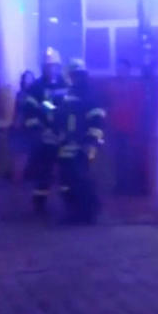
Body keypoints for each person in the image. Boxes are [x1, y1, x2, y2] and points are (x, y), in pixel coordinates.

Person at [57, 59, 106, 224]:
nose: (73, 78)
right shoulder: (69, 94)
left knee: (81, 180)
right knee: (67, 181)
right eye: (72, 75)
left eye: (76, 75)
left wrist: (90, 142)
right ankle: (73, 212)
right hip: (66, 144)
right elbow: (61, 116)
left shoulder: (89, 95)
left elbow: (97, 120)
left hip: (83, 145)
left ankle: (87, 213)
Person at [22, 48, 68, 215]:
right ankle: (39, 206)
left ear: (59, 67)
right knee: (44, 174)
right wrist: (41, 131)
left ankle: (69, 205)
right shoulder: (36, 87)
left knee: (67, 173)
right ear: (44, 68)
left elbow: (71, 107)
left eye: (55, 66)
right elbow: (30, 112)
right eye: (49, 66)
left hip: (64, 136)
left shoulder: (66, 84)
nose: (52, 69)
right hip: (45, 138)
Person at [109, 58, 143, 195]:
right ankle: (120, 185)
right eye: (118, 68)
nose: (120, 71)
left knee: (131, 158)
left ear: (128, 70)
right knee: (118, 159)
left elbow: (140, 106)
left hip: (132, 128)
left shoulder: (135, 85)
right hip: (116, 128)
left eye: (122, 68)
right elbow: (108, 105)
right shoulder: (111, 85)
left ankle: (132, 186)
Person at [9, 70, 36, 182]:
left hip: (33, 126)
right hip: (20, 126)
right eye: (26, 78)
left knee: (29, 152)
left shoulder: (38, 93)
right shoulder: (20, 94)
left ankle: (25, 174)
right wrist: (15, 122)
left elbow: (44, 107)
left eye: (30, 78)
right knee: (19, 152)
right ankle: (17, 176)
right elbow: (18, 110)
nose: (27, 81)